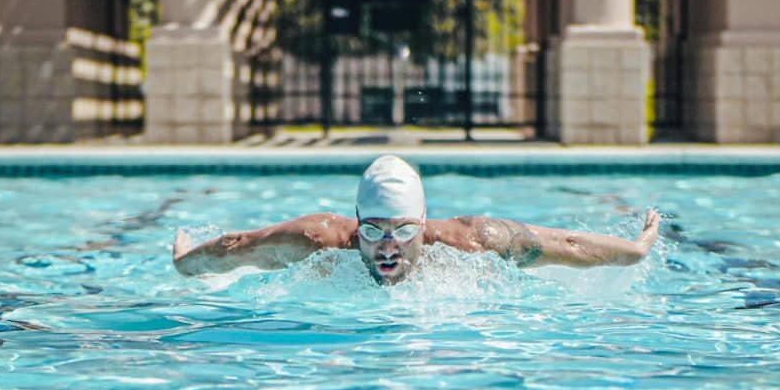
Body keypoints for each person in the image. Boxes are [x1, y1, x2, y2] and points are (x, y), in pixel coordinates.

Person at [173, 155, 660, 285]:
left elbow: (565, 244)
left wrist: (634, 252)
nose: (388, 245)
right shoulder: (318, 240)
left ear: (423, 225)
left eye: (403, 230)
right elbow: (240, 246)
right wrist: (185, 264)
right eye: (374, 230)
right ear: (356, 224)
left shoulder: (471, 241)